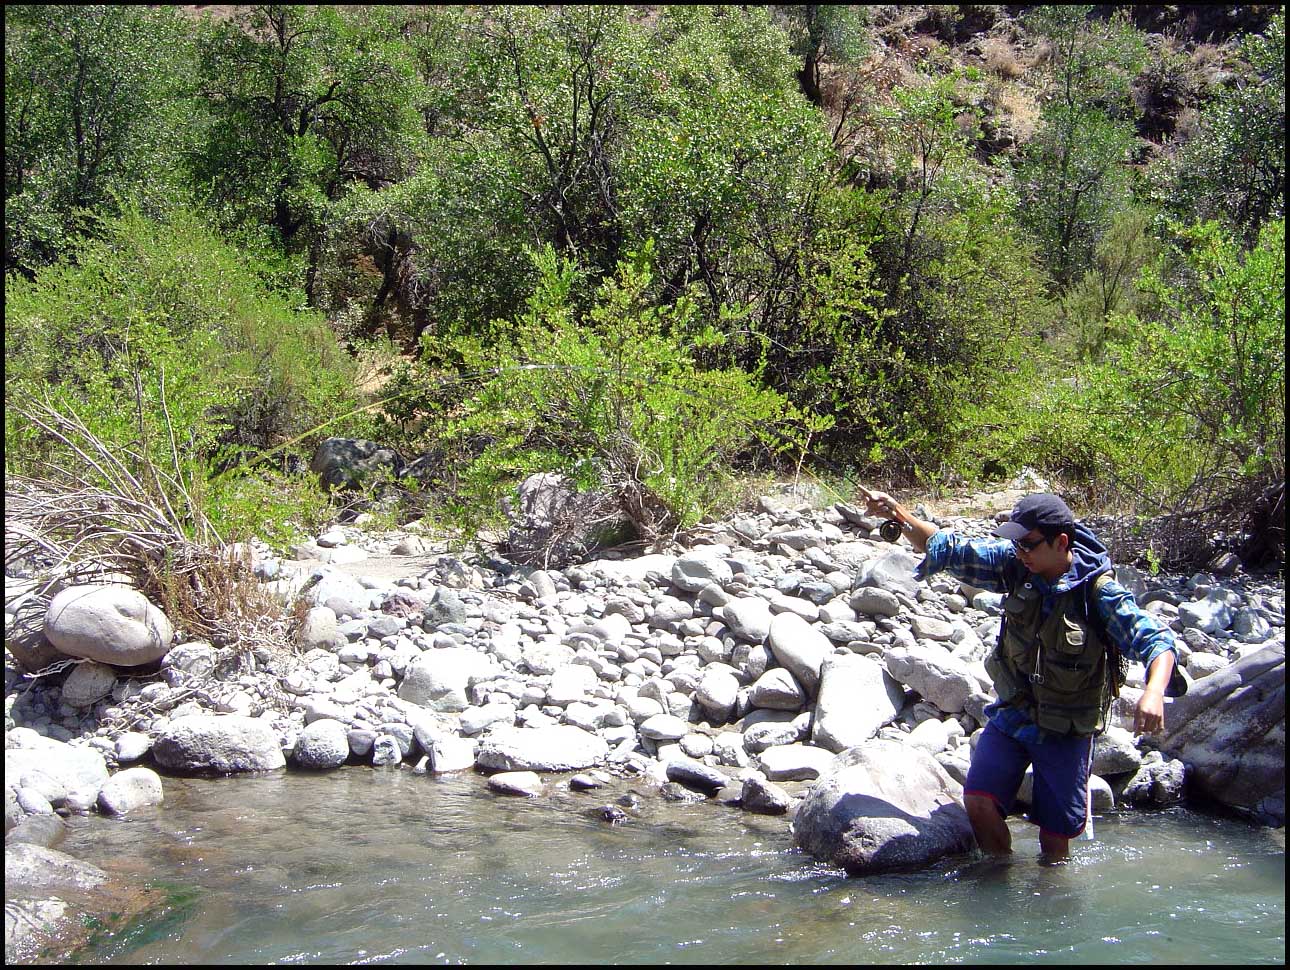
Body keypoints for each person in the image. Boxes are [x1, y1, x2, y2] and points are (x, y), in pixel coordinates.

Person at [859, 488, 1181, 862]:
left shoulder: (1098, 593)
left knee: (1055, 841)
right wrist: (897, 513)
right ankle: (999, 878)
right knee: (978, 801)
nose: (1020, 552)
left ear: (1061, 542)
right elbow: (950, 548)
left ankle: (1049, 893)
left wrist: (1153, 692)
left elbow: (1156, 641)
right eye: (1015, 544)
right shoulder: (1015, 565)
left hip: (1066, 729)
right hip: (1013, 714)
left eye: (1027, 544)